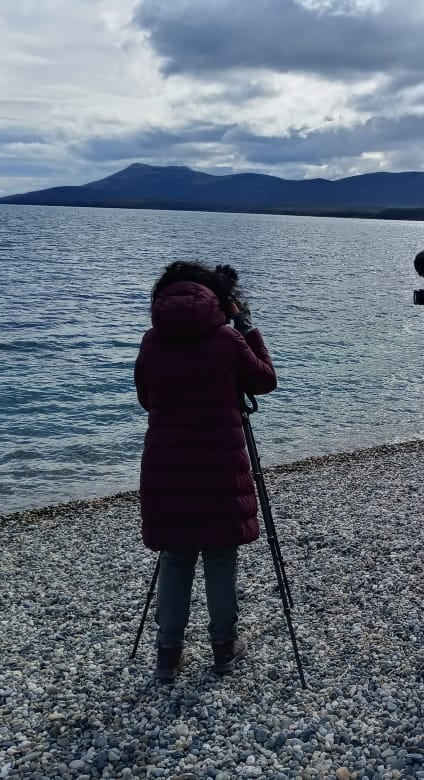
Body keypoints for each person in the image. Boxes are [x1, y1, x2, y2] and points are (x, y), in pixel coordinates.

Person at [134, 260, 277, 683]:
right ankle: (223, 651)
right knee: (220, 556)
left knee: (175, 557)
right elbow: (265, 381)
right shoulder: (228, 339)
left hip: (165, 465)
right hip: (219, 464)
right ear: (217, 297)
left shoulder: (151, 341)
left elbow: (147, 399)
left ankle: (167, 657)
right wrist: (249, 327)